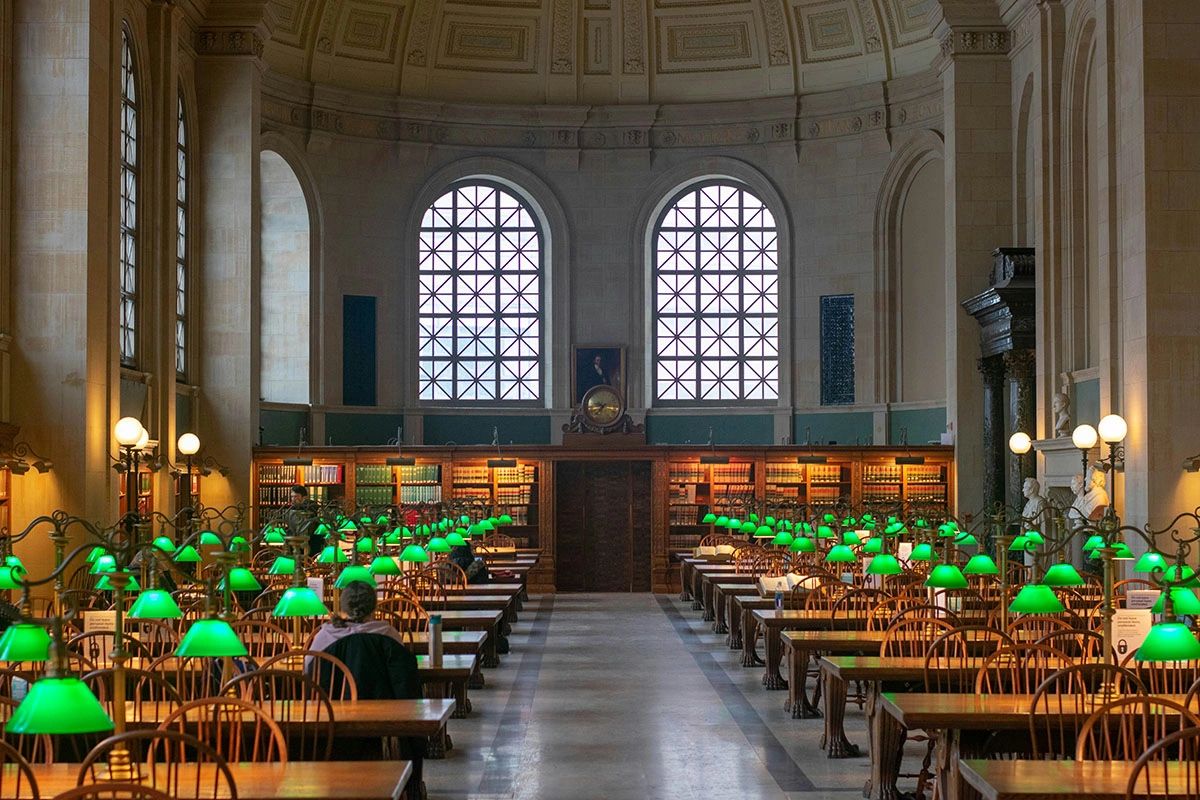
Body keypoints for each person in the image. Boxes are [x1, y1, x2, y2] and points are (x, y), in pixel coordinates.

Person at [308, 581, 425, 775]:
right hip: (385, 724)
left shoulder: (324, 637)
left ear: (342, 606)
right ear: (374, 606)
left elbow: (309, 679)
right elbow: (406, 682)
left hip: (331, 724)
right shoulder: (387, 635)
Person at [283, 485, 323, 556]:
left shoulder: (312, 507)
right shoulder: (292, 508)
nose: (293, 499)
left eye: (296, 496)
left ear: (304, 497)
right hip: (296, 539)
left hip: (311, 540)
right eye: (292, 496)